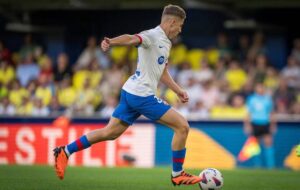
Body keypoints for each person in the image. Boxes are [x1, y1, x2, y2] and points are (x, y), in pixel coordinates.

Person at [53, 4, 201, 186]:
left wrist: (178, 90)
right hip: (141, 95)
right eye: (180, 26)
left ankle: (65, 151)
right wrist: (111, 42)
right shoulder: (153, 36)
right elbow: (132, 38)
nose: (180, 30)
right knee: (182, 126)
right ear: (172, 22)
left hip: (131, 91)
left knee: (110, 132)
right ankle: (177, 174)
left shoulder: (166, 43)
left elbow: (161, 71)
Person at [244, 83, 276, 169]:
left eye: (261, 88)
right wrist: (247, 125)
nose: (260, 90)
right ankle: (257, 165)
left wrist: (273, 125)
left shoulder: (268, 99)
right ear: (255, 89)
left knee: (268, 143)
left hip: (265, 123)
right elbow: (248, 113)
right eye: (258, 88)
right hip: (255, 123)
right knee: (255, 145)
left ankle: (271, 166)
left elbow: (271, 113)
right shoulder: (251, 99)